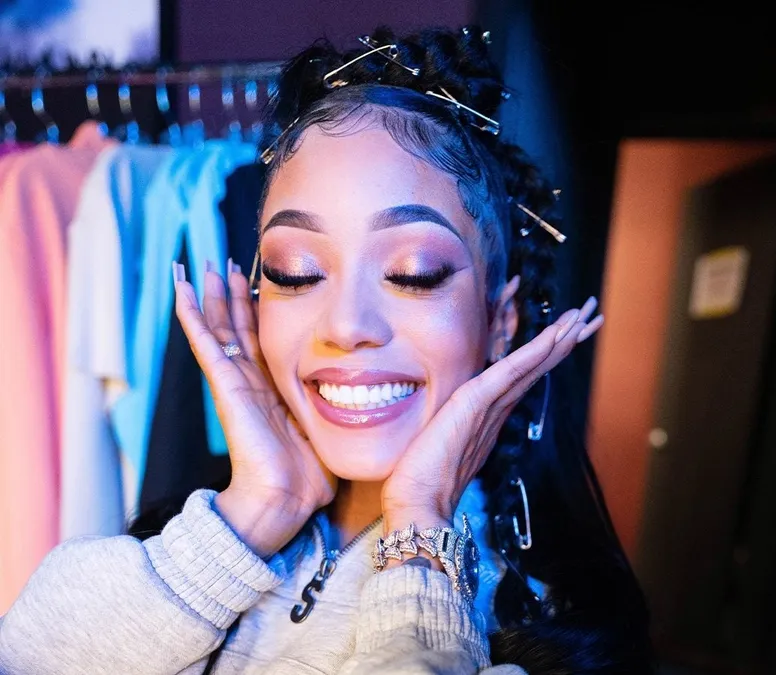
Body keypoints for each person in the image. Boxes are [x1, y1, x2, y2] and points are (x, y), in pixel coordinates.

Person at [0, 26, 652, 674]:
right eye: (297, 273)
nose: (345, 325)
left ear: (500, 320)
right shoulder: (208, 541)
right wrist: (256, 511)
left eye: (414, 272)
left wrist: (421, 532)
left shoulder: (543, 635)